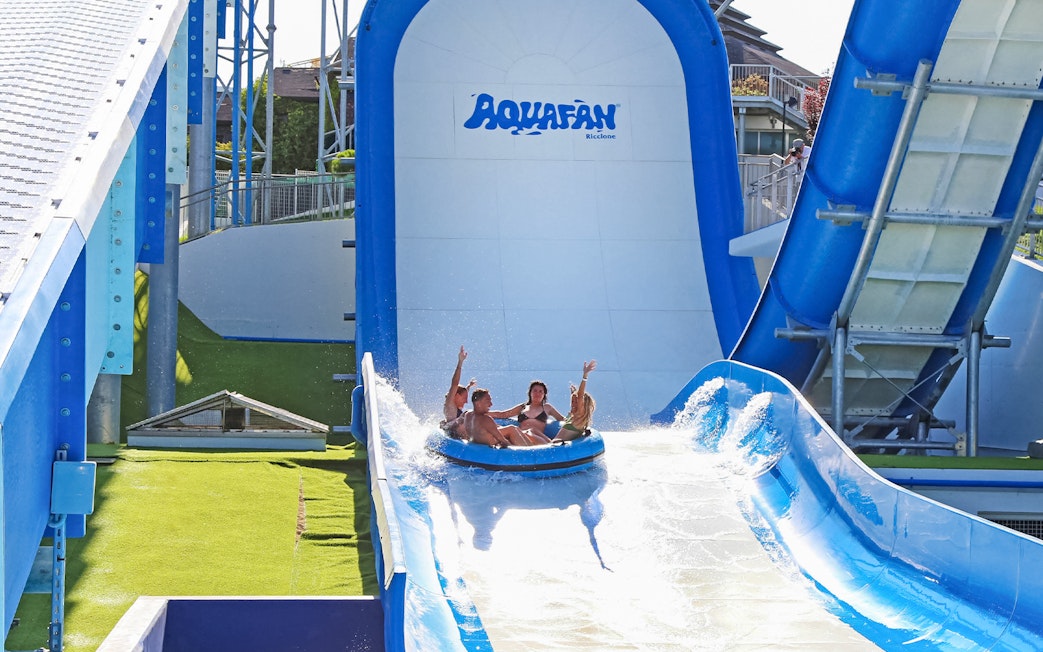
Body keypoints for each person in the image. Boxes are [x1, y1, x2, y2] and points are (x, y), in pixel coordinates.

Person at [464, 388, 551, 447]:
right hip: (495, 444)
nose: (491, 404)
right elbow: (504, 442)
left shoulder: (468, 415)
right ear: (478, 403)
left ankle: (549, 444)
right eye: (488, 401)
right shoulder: (486, 420)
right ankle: (533, 450)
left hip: (481, 444)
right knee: (512, 428)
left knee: (529, 431)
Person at [488, 380, 565, 437]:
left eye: (540, 391)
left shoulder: (547, 407)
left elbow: (562, 419)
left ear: (544, 395)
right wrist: (480, 413)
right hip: (521, 436)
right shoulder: (522, 407)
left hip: (538, 437)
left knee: (531, 431)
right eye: (535, 391)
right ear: (530, 393)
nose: (537, 393)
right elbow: (503, 414)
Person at [552, 360, 597, 442]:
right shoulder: (573, 416)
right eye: (572, 402)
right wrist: (573, 392)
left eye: (576, 402)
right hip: (552, 445)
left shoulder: (579, 416)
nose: (573, 404)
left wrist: (585, 376)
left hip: (556, 447)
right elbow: (577, 397)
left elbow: (580, 397)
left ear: (583, 404)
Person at [441, 345, 476, 438]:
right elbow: (454, 384)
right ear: (456, 395)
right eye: (464, 398)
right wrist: (460, 362)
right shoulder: (450, 406)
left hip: (459, 432)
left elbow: (462, 392)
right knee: (468, 414)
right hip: (454, 436)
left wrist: (469, 386)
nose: (466, 401)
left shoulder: (455, 405)